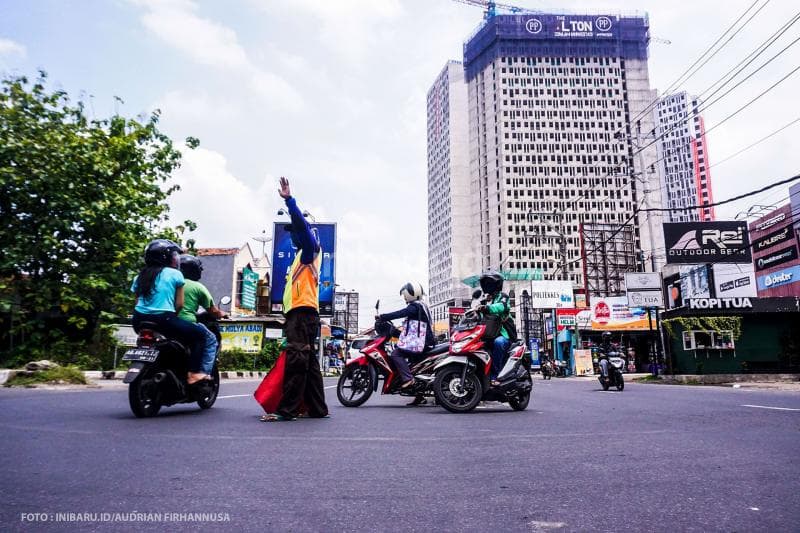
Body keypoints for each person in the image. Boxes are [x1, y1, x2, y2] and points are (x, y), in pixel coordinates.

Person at [262, 177, 329, 422]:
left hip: (302, 316)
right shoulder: (300, 257)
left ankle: (286, 411)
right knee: (309, 362)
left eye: (296, 233)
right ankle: (318, 408)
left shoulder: (310, 251)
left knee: (297, 362)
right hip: (302, 315)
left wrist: (290, 202)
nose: (293, 237)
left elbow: (302, 228)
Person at [131, 239, 209, 385]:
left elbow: (137, 303)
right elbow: (179, 304)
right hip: (164, 320)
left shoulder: (139, 276)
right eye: (174, 255)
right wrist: (172, 318)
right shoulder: (175, 274)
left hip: (138, 321)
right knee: (199, 336)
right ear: (166, 258)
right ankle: (192, 373)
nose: (176, 258)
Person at [376, 282, 434, 404]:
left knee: (396, 354)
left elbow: (400, 313)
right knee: (414, 366)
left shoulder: (414, 307)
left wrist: (383, 317)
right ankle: (419, 396)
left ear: (409, 295)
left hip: (421, 342)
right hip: (425, 341)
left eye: (405, 295)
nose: (404, 298)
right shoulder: (421, 306)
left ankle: (408, 379)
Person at [178, 254, 226, 376]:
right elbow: (213, 311)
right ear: (194, 270)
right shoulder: (198, 287)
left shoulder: (170, 282)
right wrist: (223, 314)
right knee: (211, 340)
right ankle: (201, 373)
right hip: (186, 322)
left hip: (165, 321)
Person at [476, 270, 512, 385]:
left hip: (503, 334)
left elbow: (501, 307)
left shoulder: (503, 297)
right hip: (486, 334)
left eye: (490, 283)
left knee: (498, 343)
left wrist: (487, 308)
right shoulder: (484, 300)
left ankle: (495, 375)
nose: (488, 286)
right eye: (486, 283)